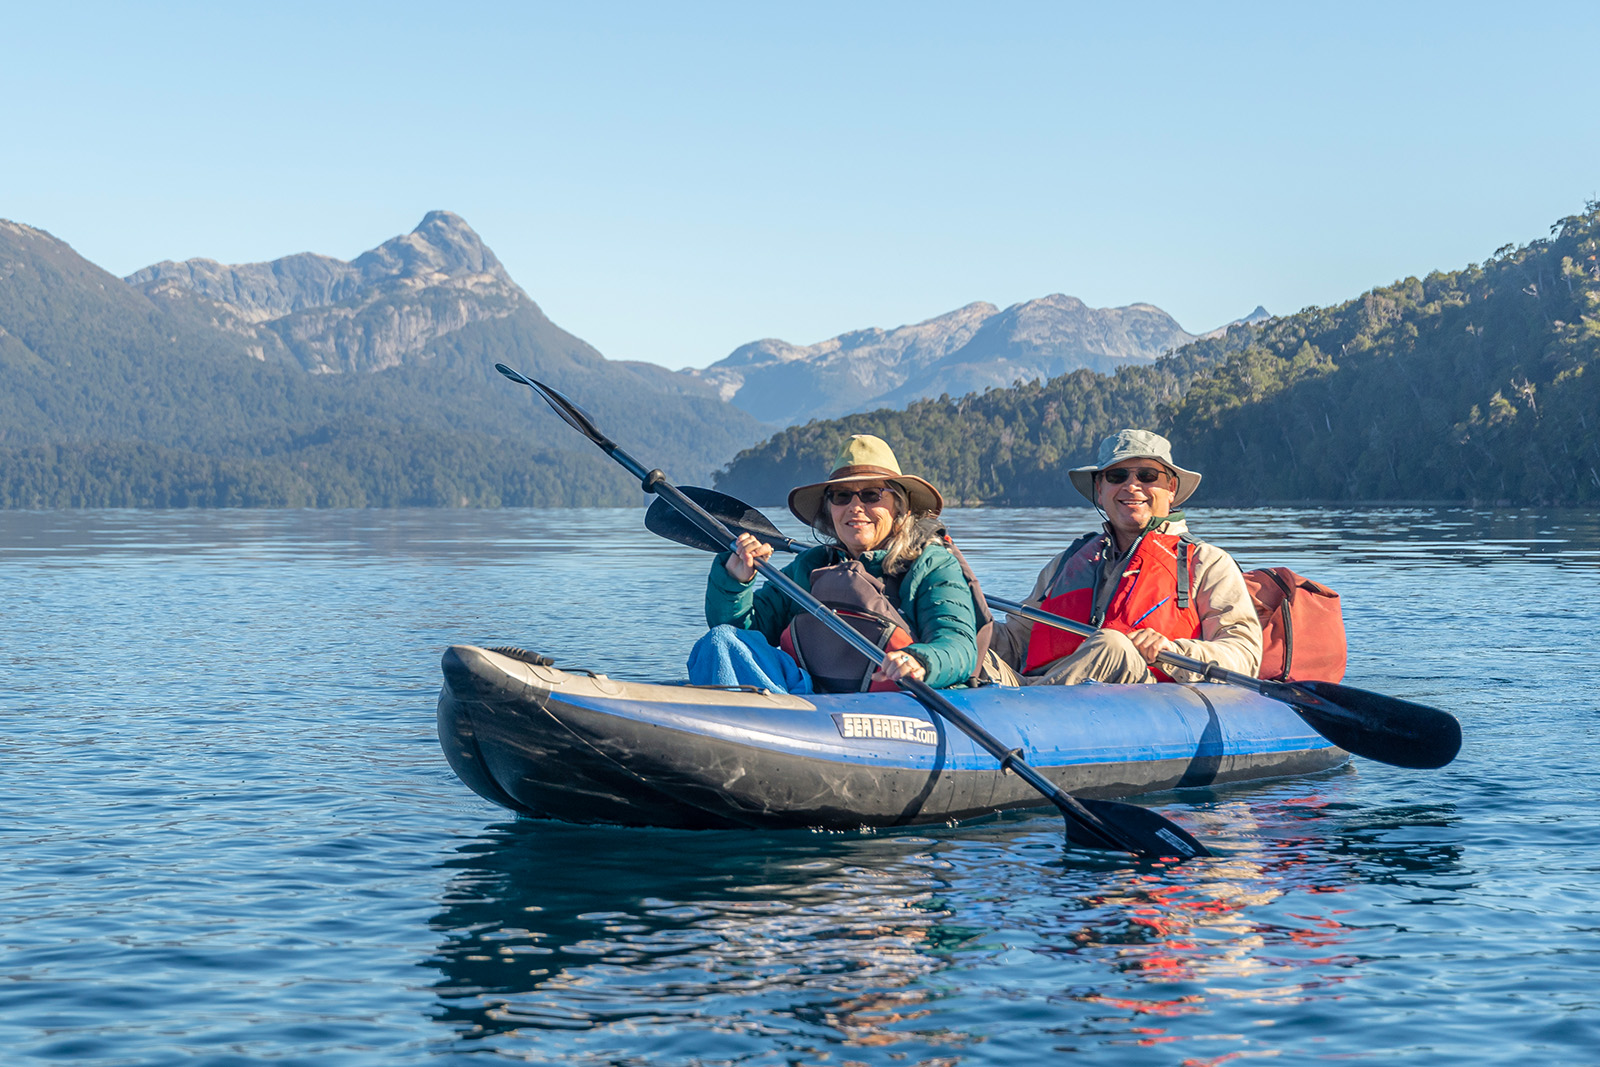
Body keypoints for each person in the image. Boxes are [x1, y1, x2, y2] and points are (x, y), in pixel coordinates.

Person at [687, 434, 982, 694]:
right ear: (830, 509)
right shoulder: (811, 566)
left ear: (899, 507)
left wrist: (920, 660)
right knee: (720, 640)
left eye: (871, 495)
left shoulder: (932, 565)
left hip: (899, 703)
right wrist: (736, 583)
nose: (855, 507)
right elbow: (743, 632)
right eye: (842, 496)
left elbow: (958, 645)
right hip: (813, 697)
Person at [988, 429, 1262, 686]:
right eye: (1117, 476)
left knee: (1113, 646)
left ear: (1172, 488)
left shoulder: (1207, 562)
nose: (1132, 486)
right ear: (1100, 489)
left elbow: (1244, 655)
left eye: (1147, 475)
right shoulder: (1065, 564)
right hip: (1038, 690)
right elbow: (1014, 643)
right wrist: (963, 621)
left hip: (1143, 699)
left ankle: (1027, 708)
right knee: (966, 645)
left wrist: (1173, 651)